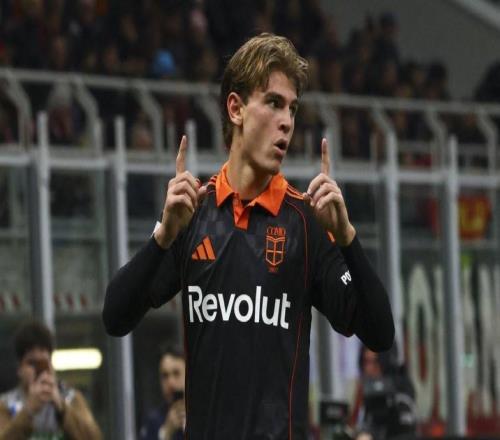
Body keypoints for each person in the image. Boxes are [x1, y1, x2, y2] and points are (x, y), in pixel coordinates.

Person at [103, 33, 394, 438]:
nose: (287, 121)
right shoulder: (193, 215)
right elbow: (115, 317)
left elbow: (380, 333)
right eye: (273, 103)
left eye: (292, 108)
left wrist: (346, 237)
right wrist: (163, 236)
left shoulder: (306, 223)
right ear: (236, 109)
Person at [0, 320, 102, 440]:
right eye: (32, 363)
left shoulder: (71, 398)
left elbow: (94, 437)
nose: (38, 371)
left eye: (43, 363)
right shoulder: (6, 405)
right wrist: (28, 411)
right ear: (20, 368)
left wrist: (62, 409)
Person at [350, 345, 416, 440]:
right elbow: (366, 423)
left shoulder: (401, 388)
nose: (369, 368)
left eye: (375, 362)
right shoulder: (367, 391)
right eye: (366, 362)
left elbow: (405, 429)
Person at [140, 345, 185, 440]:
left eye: (176, 373)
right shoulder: (153, 422)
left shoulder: (204, 414)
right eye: (165, 376)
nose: (170, 382)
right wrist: (166, 433)